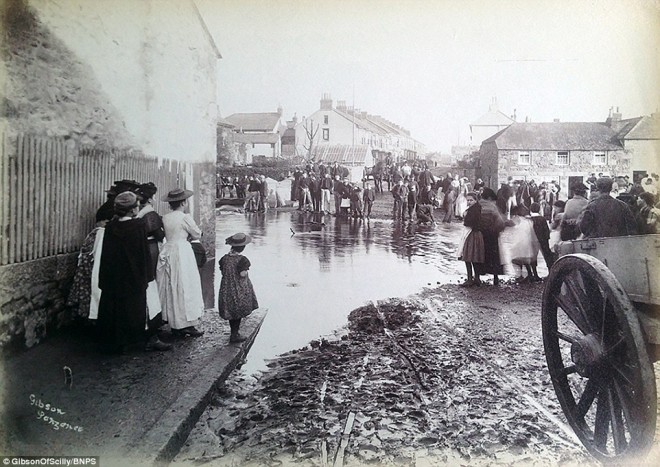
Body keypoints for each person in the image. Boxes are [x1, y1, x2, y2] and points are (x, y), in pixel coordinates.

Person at [97, 191, 171, 353]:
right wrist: (147, 277)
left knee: (119, 308)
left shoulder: (111, 227)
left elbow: (107, 255)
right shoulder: (138, 227)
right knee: (146, 307)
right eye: (137, 206)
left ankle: (121, 342)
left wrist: (105, 278)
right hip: (136, 276)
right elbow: (142, 254)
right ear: (132, 210)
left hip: (116, 276)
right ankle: (149, 339)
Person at [157, 188, 205, 338]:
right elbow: (197, 234)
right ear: (183, 202)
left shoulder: (165, 217)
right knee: (186, 285)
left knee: (171, 285)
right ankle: (187, 324)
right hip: (182, 252)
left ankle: (174, 322)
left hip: (169, 249)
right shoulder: (185, 218)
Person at [219, 233, 259, 343]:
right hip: (238, 288)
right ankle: (235, 334)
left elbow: (223, 271)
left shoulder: (224, 259)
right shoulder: (243, 260)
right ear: (243, 248)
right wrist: (245, 271)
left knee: (231, 310)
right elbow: (242, 274)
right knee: (238, 310)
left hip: (226, 288)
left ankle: (233, 332)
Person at [136, 182, 165, 321]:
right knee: (152, 278)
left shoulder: (137, 213)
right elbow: (159, 235)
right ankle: (152, 314)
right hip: (151, 247)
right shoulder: (150, 213)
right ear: (149, 199)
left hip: (140, 246)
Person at [474, 188, 505, 285]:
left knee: (478, 254)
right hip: (491, 234)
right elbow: (500, 222)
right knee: (494, 256)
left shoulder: (477, 205)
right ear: (490, 198)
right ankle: (495, 277)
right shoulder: (492, 207)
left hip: (479, 233)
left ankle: (477, 277)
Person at [458, 192, 484, 287]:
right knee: (474, 257)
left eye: (471, 200)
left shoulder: (474, 210)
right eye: (468, 200)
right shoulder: (475, 208)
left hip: (472, 234)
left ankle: (470, 279)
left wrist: (465, 217)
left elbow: (470, 222)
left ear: (475, 200)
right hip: (474, 233)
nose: (469, 202)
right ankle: (476, 278)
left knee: (468, 256)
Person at [529, 202, 555, 270]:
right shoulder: (542, 219)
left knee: (533, 256)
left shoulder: (529, 219)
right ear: (539, 209)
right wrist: (547, 238)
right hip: (543, 240)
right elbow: (546, 230)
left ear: (530, 210)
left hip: (532, 240)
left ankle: (535, 273)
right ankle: (550, 270)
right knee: (547, 255)